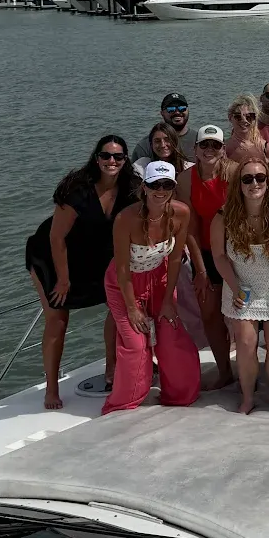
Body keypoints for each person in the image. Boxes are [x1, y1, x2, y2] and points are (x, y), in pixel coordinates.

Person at [25, 136, 141, 409]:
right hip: (53, 256)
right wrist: (64, 279)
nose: (111, 161)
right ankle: (51, 388)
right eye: (106, 156)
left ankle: (112, 369)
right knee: (57, 319)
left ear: (125, 160)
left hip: (96, 257)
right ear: (96, 158)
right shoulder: (77, 189)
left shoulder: (131, 188)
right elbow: (56, 238)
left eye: (118, 157)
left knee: (117, 308)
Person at [102, 161, 201, 414]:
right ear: (144, 187)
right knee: (136, 346)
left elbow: (176, 258)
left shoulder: (181, 213)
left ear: (173, 187)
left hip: (161, 280)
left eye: (167, 184)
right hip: (124, 284)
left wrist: (169, 300)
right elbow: (123, 269)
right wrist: (133, 308)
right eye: (154, 184)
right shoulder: (125, 219)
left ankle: (180, 395)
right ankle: (124, 404)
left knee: (171, 337)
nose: (161, 190)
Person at [212, 159, 269, 415]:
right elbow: (219, 256)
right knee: (244, 342)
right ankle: (247, 397)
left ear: (268, 181)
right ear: (238, 184)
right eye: (247, 178)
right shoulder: (223, 216)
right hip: (240, 284)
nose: (254, 183)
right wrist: (234, 286)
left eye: (260, 178)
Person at [177, 125, 233, 390]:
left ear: (223, 150)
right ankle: (225, 371)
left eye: (215, 146)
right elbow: (191, 230)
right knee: (210, 314)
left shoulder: (234, 173)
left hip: (236, 252)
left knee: (243, 315)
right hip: (207, 252)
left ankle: (251, 368)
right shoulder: (185, 180)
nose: (209, 150)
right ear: (195, 150)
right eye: (204, 145)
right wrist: (200, 271)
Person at [224, 94, 269, 177]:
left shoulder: (267, 149)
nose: (244, 121)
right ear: (230, 117)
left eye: (249, 117)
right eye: (238, 117)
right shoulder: (223, 149)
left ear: (255, 118)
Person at [133, 92, 190, 167]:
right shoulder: (144, 146)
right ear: (162, 113)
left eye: (182, 108)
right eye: (171, 109)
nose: (177, 112)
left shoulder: (199, 140)